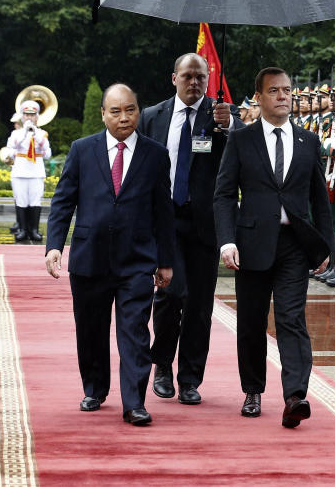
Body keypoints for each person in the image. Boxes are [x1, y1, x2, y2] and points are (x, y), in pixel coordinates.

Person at [45, 83, 174, 427]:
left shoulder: (155, 154)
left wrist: (165, 261)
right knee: (91, 329)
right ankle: (95, 388)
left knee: (134, 331)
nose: (123, 117)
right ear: (103, 114)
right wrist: (54, 246)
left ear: (138, 111)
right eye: (115, 111)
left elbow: (164, 212)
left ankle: (134, 403)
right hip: (90, 257)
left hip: (136, 259)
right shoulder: (82, 150)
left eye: (130, 110)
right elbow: (63, 201)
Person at [215, 67, 333, 428]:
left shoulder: (308, 141)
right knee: (251, 321)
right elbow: (222, 195)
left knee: (291, 318)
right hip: (251, 243)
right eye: (275, 91)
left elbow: (319, 197)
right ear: (260, 98)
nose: (283, 96)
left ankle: (295, 395)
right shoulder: (242, 140)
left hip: (294, 244)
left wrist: (324, 245)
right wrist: (227, 240)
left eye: (287, 90)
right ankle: (252, 389)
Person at [139, 53, 243, 406]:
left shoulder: (221, 116)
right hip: (164, 220)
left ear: (208, 79)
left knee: (199, 304)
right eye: (188, 76)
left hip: (204, 224)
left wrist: (229, 126)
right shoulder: (153, 117)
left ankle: (190, 378)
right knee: (169, 294)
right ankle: (162, 364)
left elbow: (246, 145)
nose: (194, 82)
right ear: (174, 78)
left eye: (201, 77)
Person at [7, 100, 51, 242]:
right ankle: (22, 230)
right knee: (21, 200)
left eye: (32, 115)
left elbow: (48, 153)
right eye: (26, 115)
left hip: (36, 172)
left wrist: (35, 135)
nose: (29, 118)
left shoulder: (42, 133)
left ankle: (34, 230)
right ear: (22, 117)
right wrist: (25, 134)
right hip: (20, 171)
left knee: (35, 201)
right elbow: (10, 149)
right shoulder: (16, 134)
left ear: (37, 117)